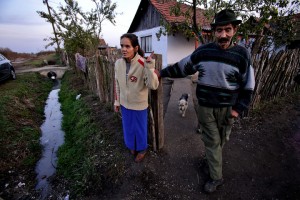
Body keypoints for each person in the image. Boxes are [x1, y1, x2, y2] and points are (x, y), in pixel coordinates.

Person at [160, 9, 255, 193]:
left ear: (234, 30)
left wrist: (237, 110)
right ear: (214, 32)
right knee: (212, 141)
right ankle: (216, 178)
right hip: (205, 108)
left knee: (220, 140)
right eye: (219, 30)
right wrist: (161, 72)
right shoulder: (203, 52)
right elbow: (182, 67)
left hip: (227, 109)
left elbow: (248, 86)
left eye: (227, 29)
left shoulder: (243, 55)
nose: (223, 35)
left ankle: (211, 162)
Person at [114, 33, 159, 163]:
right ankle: (132, 146)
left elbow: (153, 85)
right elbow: (116, 83)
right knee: (127, 128)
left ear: (136, 48)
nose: (123, 49)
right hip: (124, 104)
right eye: (122, 45)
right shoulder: (118, 64)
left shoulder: (142, 63)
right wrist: (117, 101)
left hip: (139, 105)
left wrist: (150, 68)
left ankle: (142, 149)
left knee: (139, 130)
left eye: (127, 46)